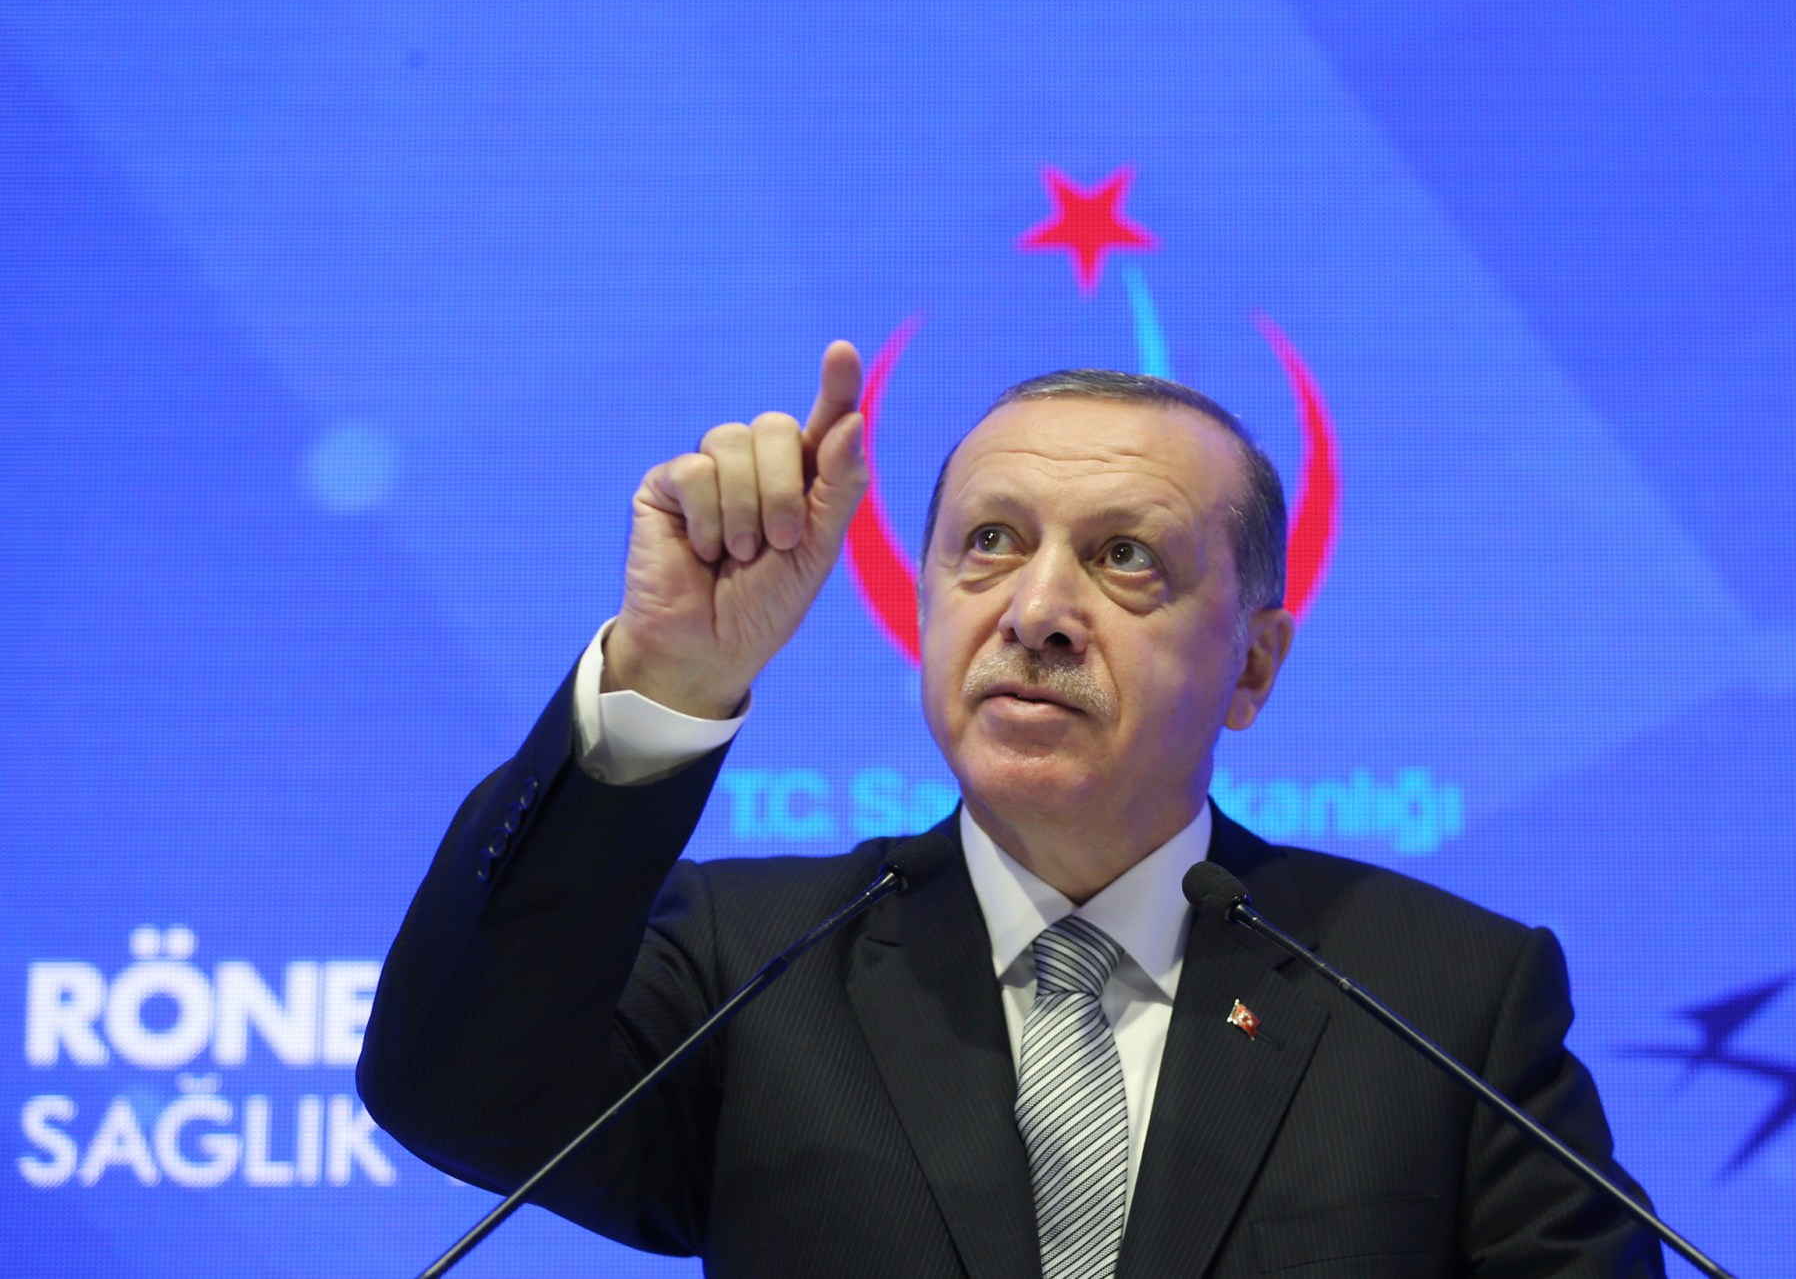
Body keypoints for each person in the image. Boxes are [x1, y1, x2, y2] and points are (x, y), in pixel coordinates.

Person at [358, 341, 1665, 1277]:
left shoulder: (1443, 998)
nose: (1036, 610)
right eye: (989, 541)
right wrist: (668, 682)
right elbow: (454, 1093)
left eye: (1123, 557)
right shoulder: (749, 962)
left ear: (1254, 666)